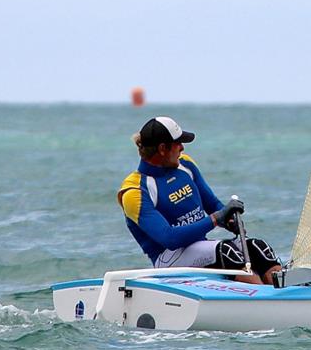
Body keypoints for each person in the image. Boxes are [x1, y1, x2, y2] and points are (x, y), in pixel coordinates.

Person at [117, 116, 281, 285]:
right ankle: (266, 302)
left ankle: (288, 294)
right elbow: (169, 239)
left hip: (200, 248)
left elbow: (212, 204)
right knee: (227, 252)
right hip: (168, 260)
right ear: (162, 148)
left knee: (258, 248)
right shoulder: (134, 191)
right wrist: (216, 219)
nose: (182, 148)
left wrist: (229, 219)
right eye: (177, 143)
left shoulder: (185, 165)